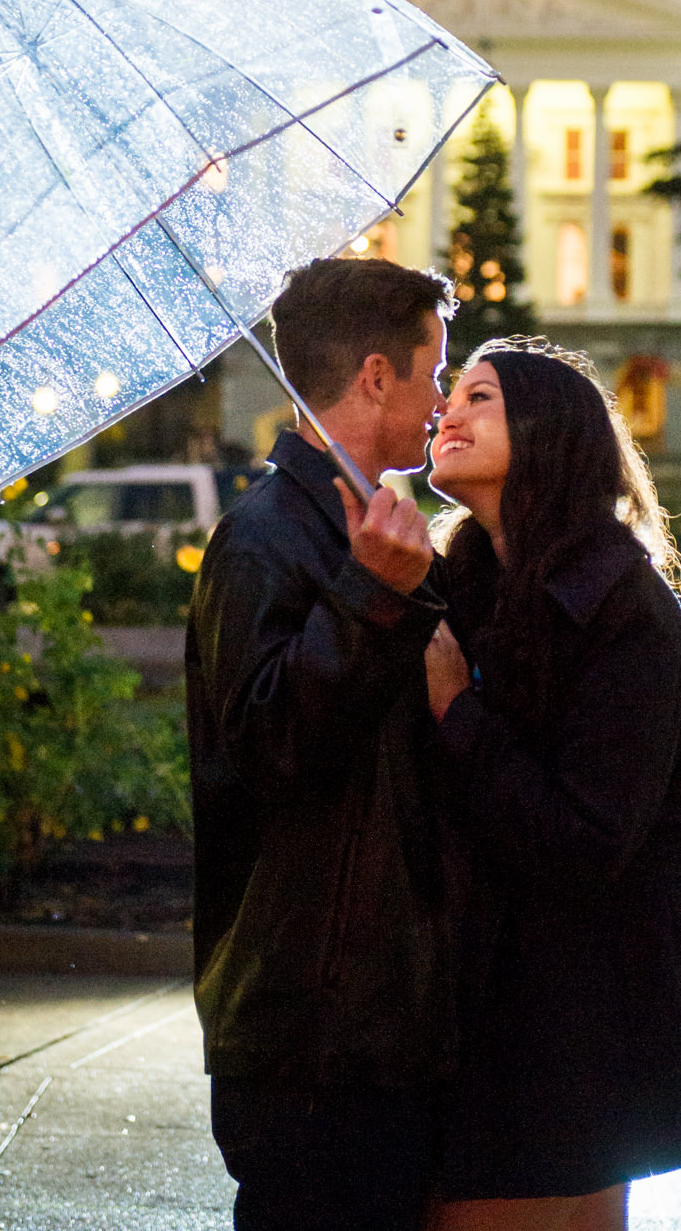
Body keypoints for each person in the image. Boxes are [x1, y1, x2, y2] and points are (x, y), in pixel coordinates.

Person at [421, 338, 681, 1230]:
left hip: (592, 1011)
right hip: (525, 1003)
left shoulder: (617, 603)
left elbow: (585, 839)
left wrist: (456, 709)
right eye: (448, 396)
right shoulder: (469, 583)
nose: (445, 414)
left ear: (548, 432)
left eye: (479, 397)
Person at [186, 256, 458, 1231]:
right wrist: (369, 595)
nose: (439, 399)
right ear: (375, 374)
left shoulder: (357, 523)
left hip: (370, 1019)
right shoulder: (263, 537)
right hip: (309, 1029)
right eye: (432, 370)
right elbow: (268, 750)